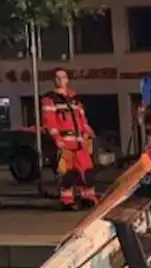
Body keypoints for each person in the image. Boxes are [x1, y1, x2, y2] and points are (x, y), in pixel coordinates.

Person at [41, 68, 98, 210]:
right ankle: (67, 201)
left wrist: (87, 133)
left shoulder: (75, 98)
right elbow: (50, 123)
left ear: (67, 79)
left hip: (80, 143)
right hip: (65, 143)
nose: (61, 80)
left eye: (63, 77)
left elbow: (83, 119)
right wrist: (59, 142)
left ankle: (88, 198)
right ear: (54, 80)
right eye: (57, 77)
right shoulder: (50, 99)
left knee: (87, 172)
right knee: (68, 175)